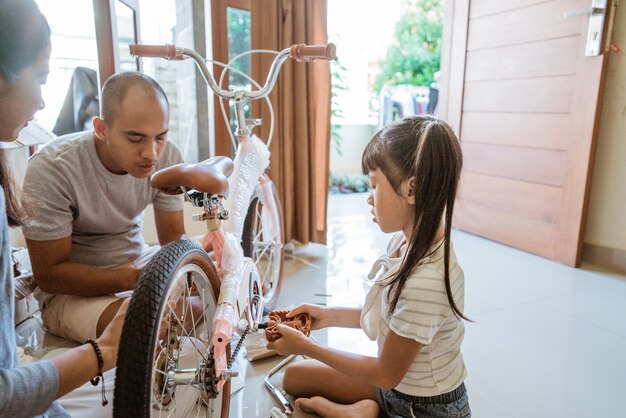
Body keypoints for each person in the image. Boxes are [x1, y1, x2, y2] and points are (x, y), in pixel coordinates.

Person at [268, 115, 472, 418]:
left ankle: (361, 413)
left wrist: (307, 347)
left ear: (411, 190)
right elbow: (386, 314)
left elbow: (385, 373)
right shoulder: (406, 243)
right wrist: (326, 316)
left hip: (425, 409)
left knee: (308, 370)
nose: (368, 198)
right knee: (294, 378)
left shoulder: (426, 282)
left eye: (374, 185)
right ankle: (366, 410)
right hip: (394, 389)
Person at [0, 0, 128, 416]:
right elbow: (4, 395)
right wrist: (103, 352)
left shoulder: (160, 164)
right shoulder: (54, 167)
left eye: (159, 138)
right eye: (39, 78)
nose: (41, 101)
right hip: (66, 301)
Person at [21, 69, 190, 344]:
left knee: (210, 306)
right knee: (144, 327)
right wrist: (134, 280)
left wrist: (198, 270)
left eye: (160, 136)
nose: (151, 153)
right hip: (71, 293)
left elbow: (173, 239)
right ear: (101, 129)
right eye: (135, 138)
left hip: (136, 264)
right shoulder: (52, 168)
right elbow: (49, 275)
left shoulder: (168, 155)